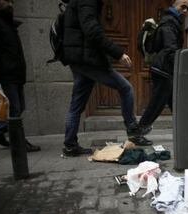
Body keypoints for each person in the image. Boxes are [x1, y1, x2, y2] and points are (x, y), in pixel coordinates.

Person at [62, 0, 149, 156]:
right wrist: (118, 53)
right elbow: (92, 30)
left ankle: (69, 145)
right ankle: (133, 131)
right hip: (87, 59)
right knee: (125, 87)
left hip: (79, 58)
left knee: (76, 104)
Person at [0, 0, 41, 152]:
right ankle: (19, 143)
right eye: (6, 1)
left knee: (19, 107)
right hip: (5, 74)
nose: (10, 4)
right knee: (15, 110)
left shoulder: (7, 21)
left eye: (11, 1)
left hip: (15, 74)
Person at [137, 0, 188, 141]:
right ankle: (138, 133)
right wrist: (182, 67)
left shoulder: (172, 20)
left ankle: (185, 130)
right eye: (183, 7)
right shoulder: (169, 22)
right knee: (157, 103)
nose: (185, 11)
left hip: (165, 68)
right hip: (163, 69)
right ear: (175, 5)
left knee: (175, 102)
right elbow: (170, 49)